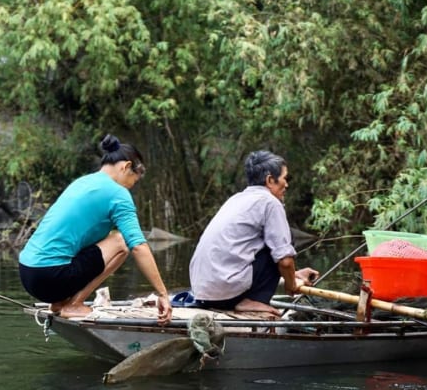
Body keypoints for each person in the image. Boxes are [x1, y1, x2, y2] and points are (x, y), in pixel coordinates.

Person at [18, 134, 172, 324]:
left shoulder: (83, 182)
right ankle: (74, 304)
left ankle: (59, 303)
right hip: (51, 276)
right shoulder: (118, 194)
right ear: (125, 167)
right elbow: (138, 246)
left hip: (27, 273)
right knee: (121, 241)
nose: (131, 187)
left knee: (104, 237)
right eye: (134, 180)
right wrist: (162, 294)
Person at [189, 150, 319, 316]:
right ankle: (252, 300)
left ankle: (245, 298)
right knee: (283, 242)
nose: (287, 185)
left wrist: (293, 275)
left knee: (275, 243)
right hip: (227, 294)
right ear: (270, 180)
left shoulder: (236, 198)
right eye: (285, 178)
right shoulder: (270, 203)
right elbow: (285, 261)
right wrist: (291, 284)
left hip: (203, 292)